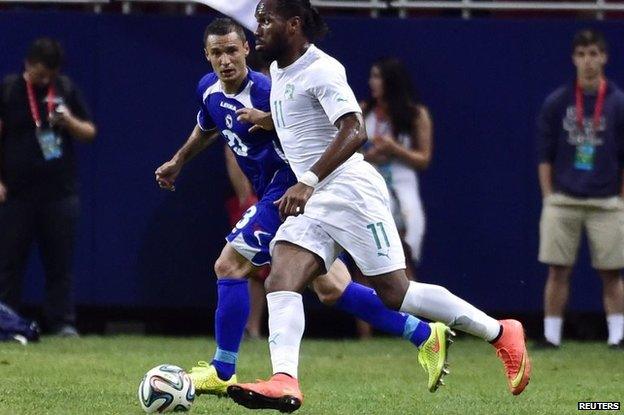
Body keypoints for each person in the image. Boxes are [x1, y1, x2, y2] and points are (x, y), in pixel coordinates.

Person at [227, 1, 531, 411]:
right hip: (316, 200)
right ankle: (285, 379)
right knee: (281, 277)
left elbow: (355, 130)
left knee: (396, 293)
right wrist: (269, 119)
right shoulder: (280, 68)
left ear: (294, 25)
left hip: (350, 193)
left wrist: (307, 181)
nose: (257, 28)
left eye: (266, 20)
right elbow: (302, 121)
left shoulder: (322, 69)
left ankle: (500, 332)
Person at [155, 17, 453, 397]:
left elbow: (314, 126)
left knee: (229, 264)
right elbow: (208, 126)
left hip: (288, 188)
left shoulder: (267, 89)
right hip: (272, 190)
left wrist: (273, 127)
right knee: (332, 288)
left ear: (247, 49)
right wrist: (179, 160)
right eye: (217, 53)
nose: (226, 60)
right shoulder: (208, 89)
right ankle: (425, 334)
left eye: (232, 50)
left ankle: (222, 369)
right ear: (207, 56)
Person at [0, 38, 96, 337]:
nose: (45, 81)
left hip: (59, 192)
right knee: (10, 261)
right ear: (28, 65)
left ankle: (61, 321)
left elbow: (89, 132)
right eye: (40, 75)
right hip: (16, 192)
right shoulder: (9, 89)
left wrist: (68, 121)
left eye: (49, 76)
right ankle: (7, 320)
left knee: (60, 262)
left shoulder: (64, 89)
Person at [537, 29, 624, 349]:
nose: (588, 61)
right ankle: (550, 335)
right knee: (557, 270)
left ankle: (618, 336)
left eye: (594, 54)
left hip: (607, 200)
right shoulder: (558, 102)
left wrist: (620, 199)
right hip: (563, 198)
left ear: (604, 57)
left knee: (612, 272)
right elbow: (544, 155)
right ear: (574, 58)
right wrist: (549, 198)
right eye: (582, 54)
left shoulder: (617, 102)